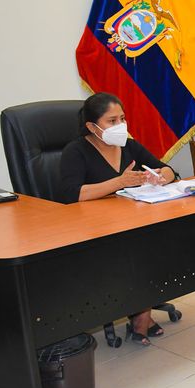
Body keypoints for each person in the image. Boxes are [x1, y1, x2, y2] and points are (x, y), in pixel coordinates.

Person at [59, 92, 178, 345]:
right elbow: (72, 194)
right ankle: (141, 315)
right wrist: (119, 182)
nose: (120, 125)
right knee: (139, 250)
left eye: (122, 118)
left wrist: (160, 177)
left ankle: (141, 309)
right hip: (94, 230)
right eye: (112, 121)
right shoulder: (76, 151)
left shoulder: (129, 146)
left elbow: (169, 170)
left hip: (131, 221)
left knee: (161, 240)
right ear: (92, 126)